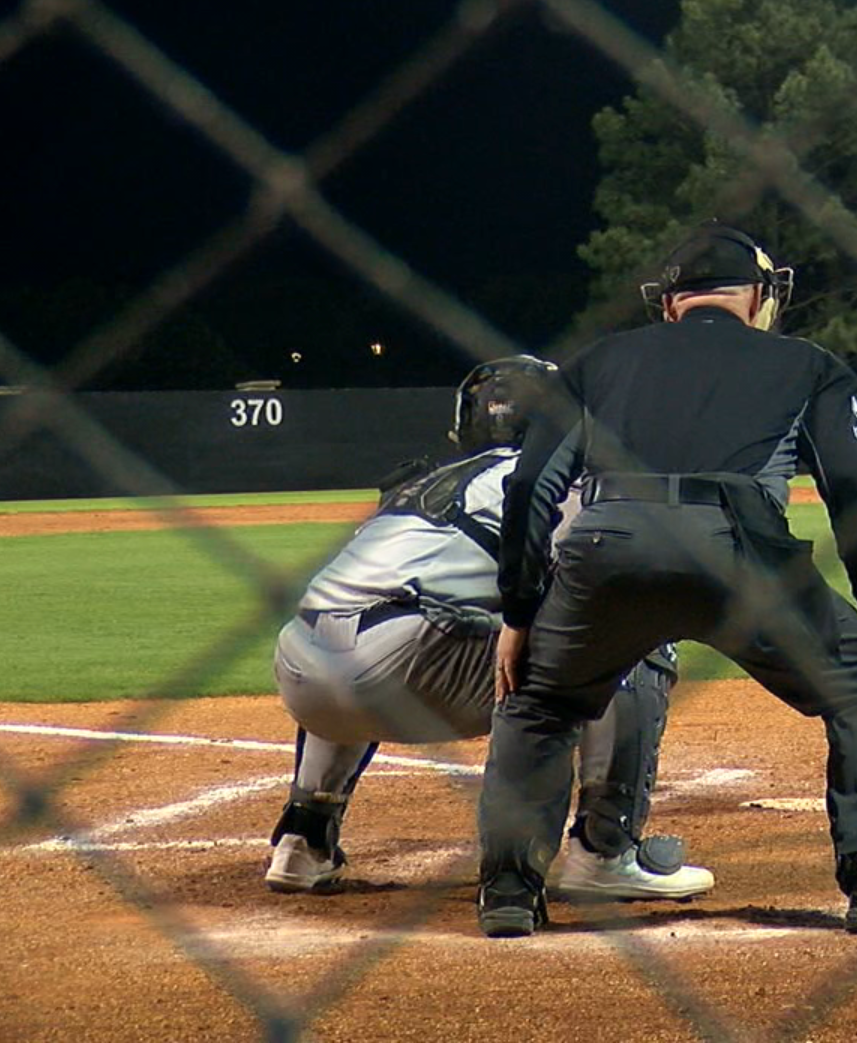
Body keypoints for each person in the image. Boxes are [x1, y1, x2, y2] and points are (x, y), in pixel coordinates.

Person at [478, 223, 857, 939]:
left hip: (609, 546)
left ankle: (509, 893)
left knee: (539, 701)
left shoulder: (595, 362)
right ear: (759, 297)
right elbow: (851, 489)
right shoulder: (809, 365)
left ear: (670, 303)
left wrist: (519, 615)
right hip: (740, 551)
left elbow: (531, 488)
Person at [268, 356, 712, 901]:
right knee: (638, 634)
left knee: (350, 633)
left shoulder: (419, 480)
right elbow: (604, 583)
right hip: (411, 665)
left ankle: (302, 840)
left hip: (301, 669)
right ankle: (606, 849)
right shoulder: (556, 477)